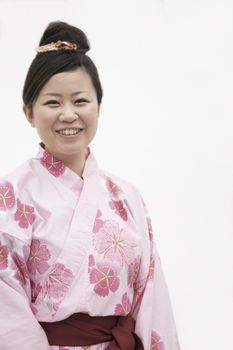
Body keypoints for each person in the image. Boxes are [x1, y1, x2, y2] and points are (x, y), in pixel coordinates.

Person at [0, 21, 180, 350]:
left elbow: (152, 298)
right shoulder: (9, 198)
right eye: (53, 103)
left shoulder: (126, 197)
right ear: (28, 112)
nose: (68, 114)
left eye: (81, 101)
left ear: (98, 106)